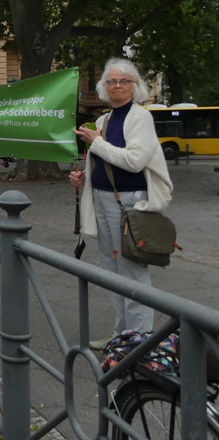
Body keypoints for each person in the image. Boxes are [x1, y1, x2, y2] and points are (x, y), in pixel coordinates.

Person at [69, 57, 172, 350]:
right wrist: (82, 178)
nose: (117, 86)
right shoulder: (104, 120)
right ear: (104, 86)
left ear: (134, 86)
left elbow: (134, 161)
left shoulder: (140, 117)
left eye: (124, 81)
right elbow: (102, 162)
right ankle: (122, 334)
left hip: (130, 202)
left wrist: (96, 143)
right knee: (111, 269)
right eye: (111, 81)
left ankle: (140, 339)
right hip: (103, 199)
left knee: (132, 267)